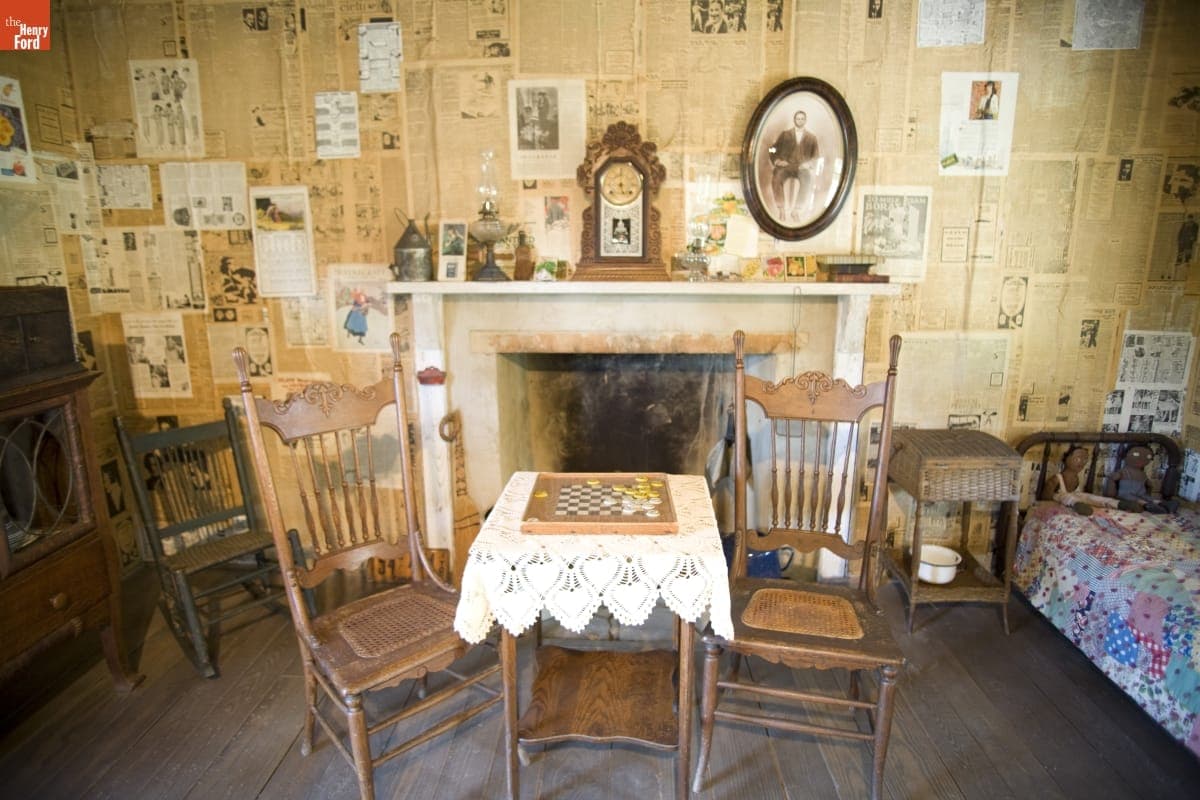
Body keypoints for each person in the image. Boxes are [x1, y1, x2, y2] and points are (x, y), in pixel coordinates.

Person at [1040, 446, 1135, 516]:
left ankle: (1118, 504)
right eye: (1077, 458)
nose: (1081, 462)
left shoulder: (1078, 477)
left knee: (1091, 497)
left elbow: (1081, 494)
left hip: (1077, 496)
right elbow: (1045, 497)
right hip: (1062, 499)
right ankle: (1077, 505)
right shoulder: (1057, 478)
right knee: (1065, 496)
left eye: (1085, 459)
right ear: (1067, 458)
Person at [767, 110, 820, 223]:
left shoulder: (812, 138)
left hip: (801, 167)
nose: (800, 120)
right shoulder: (785, 134)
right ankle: (781, 209)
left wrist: (808, 164)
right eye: (798, 118)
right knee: (776, 177)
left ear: (805, 120)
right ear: (794, 120)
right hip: (786, 165)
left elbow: (816, 156)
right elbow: (772, 149)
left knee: (807, 179)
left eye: (802, 119)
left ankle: (795, 211)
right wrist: (776, 161)